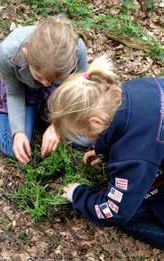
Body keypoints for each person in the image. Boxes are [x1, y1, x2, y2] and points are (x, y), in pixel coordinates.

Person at [48, 55, 164, 247]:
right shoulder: (127, 91)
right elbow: (127, 125)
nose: (85, 138)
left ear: (95, 122)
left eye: (82, 133)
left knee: (129, 215)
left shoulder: (135, 154)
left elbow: (113, 211)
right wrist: (103, 151)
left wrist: (78, 195)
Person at [0, 16, 88, 164]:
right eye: (40, 77)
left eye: (52, 79)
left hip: (59, 92)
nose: (46, 83)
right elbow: (14, 93)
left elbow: (78, 90)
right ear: (26, 54)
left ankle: (41, 112)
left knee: (86, 140)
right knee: (12, 147)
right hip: (23, 90)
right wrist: (18, 132)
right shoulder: (8, 53)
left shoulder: (76, 49)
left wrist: (58, 126)